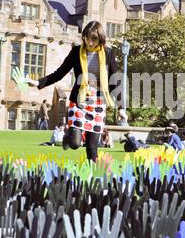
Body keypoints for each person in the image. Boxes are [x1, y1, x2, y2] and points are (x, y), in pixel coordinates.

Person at [26, 21, 126, 163]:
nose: (89, 42)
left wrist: (121, 108)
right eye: (86, 38)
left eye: (93, 39)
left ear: (100, 39)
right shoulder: (76, 52)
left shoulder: (108, 53)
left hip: (98, 101)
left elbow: (114, 80)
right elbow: (59, 73)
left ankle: (92, 179)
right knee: (74, 144)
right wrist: (38, 82)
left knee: (92, 147)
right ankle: (68, 136)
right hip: (79, 100)